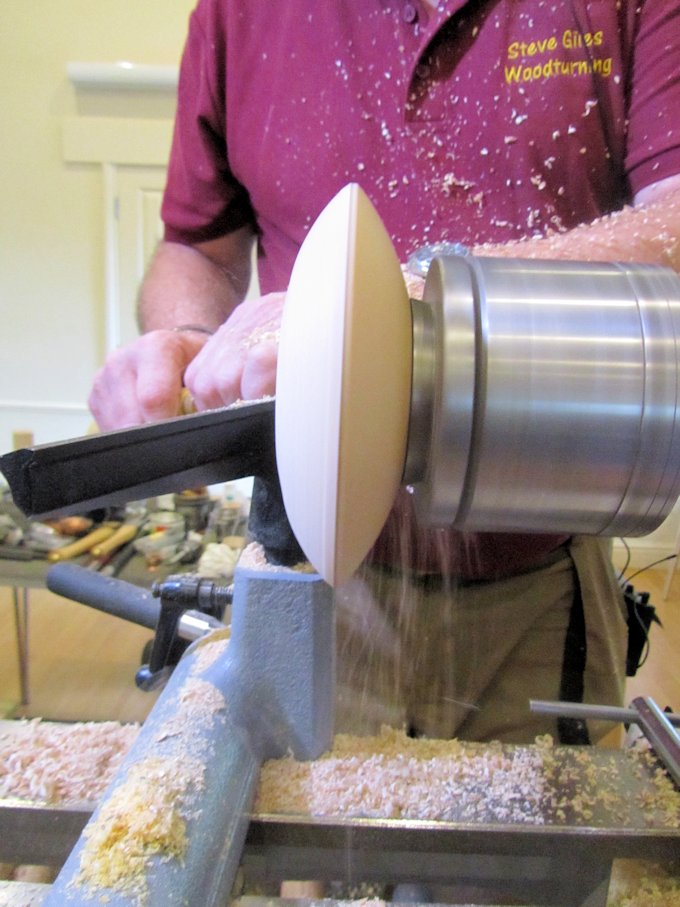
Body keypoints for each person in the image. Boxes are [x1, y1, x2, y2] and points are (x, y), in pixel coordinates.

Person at [89, 0, 680, 743]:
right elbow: (198, 248)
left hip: (540, 575)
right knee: (300, 813)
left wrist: (399, 305)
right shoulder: (240, 13)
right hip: (307, 576)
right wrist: (184, 336)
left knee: (548, 817)